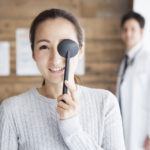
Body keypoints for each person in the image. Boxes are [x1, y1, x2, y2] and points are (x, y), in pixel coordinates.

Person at [0, 8, 125, 150]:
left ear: (81, 50)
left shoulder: (106, 103)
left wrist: (72, 129)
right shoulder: (12, 110)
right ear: (33, 53)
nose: (55, 59)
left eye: (64, 46)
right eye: (44, 47)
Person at [116, 11, 150, 150]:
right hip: (126, 127)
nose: (128, 33)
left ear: (141, 32)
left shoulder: (147, 59)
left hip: (142, 132)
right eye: (125, 29)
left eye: (133, 29)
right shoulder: (125, 61)